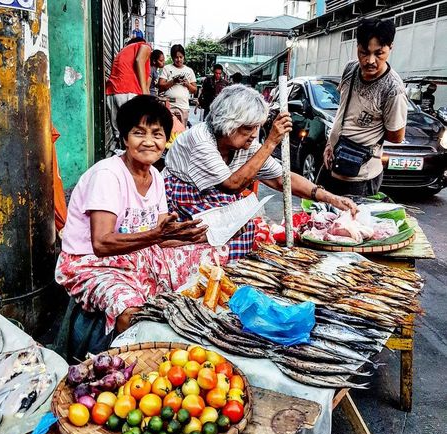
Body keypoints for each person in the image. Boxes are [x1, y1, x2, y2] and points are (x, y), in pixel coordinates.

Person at [55, 95, 220, 335]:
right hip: (90, 262)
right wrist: (157, 236)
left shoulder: (155, 176)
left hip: (135, 253)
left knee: (212, 256)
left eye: (157, 134)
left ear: (166, 140)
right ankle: (132, 355)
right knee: (131, 310)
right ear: (125, 138)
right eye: (139, 133)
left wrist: (190, 236)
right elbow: (101, 244)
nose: (149, 142)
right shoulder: (108, 175)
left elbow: (160, 233)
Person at [163, 85, 357, 262]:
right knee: (207, 243)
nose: (254, 134)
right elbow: (231, 185)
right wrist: (271, 142)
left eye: (257, 127)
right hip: (183, 205)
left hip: (215, 206)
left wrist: (331, 199)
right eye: (248, 128)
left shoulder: (245, 145)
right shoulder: (200, 140)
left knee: (245, 231)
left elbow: (282, 179)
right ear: (227, 123)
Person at [322, 18, 408, 197]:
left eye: (379, 53)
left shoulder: (393, 89)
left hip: (360, 176)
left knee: (351, 224)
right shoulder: (350, 69)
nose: (370, 60)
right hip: (332, 162)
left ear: (390, 48)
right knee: (319, 218)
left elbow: (397, 136)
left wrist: (364, 136)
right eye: (364, 52)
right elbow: (343, 108)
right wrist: (331, 143)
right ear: (357, 46)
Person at [105, 38, 151, 145]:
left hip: (112, 93)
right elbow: (139, 60)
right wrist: (144, 92)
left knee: (119, 134)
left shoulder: (123, 52)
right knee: (135, 132)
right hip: (129, 92)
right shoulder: (144, 46)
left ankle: (122, 157)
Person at [158, 44, 197, 127]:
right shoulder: (167, 68)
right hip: (169, 105)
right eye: (176, 57)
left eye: (181, 57)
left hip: (183, 106)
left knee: (181, 131)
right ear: (172, 57)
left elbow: (194, 90)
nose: (179, 60)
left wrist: (187, 84)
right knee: (168, 130)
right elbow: (160, 86)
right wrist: (174, 81)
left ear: (184, 57)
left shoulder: (189, 71)